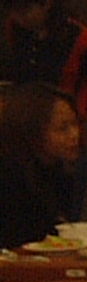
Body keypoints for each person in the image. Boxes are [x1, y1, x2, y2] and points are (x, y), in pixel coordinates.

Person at [0, 81, 81, 246]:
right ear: (32, 131)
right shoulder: (9, 177)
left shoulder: (59, 171)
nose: (75, 135)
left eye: (75, 124)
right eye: (62, 128)